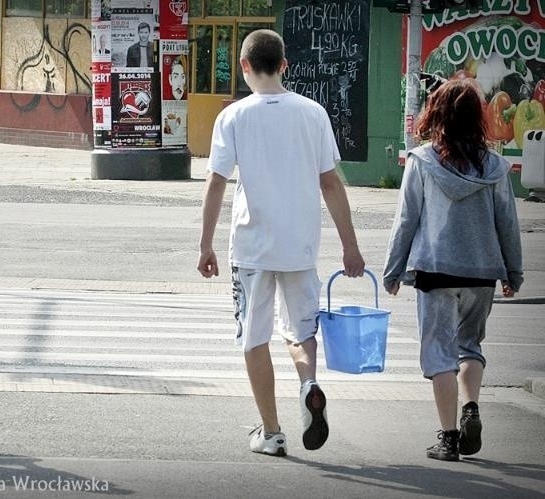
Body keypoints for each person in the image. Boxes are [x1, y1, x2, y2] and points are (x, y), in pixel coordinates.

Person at [197, 29, 364, 457]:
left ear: (244, 66)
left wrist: (205, 243)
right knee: (301, 331)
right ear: (285, 65)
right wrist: (350, 246)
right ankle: (309, 384)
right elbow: (331, 184)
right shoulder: (313, 113)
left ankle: (271, 431)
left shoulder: (233, 117)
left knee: (254, 338)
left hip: (251, 247)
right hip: (300, 246)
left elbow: (216, 182)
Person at [383, 79, 523, 462]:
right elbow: (507, 222)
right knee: (469, 347)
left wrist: (393, 271)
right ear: (477, 117)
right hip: (481, 272)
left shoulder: (423, 161)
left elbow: (406, 220)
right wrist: (513, 271)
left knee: (439, 354)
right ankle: (471, 407)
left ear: (437, 114)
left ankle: (447, 438)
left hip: (435, 270)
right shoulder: (495, 166)